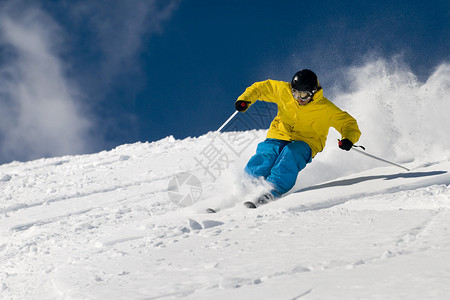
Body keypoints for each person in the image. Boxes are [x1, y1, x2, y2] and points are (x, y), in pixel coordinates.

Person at [235, 69, 361, 207]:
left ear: (313, 93)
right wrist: (245, 99)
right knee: (267, 154)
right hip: (280, 133)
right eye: (296, 93)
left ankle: (272, 190)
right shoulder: (284, 91)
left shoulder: (325, 108)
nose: (299, 98)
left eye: (304, 95)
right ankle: (245, 188)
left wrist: (348, 138)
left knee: (291, 153)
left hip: (307, 141)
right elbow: (262, 87)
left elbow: (348, 123)